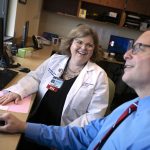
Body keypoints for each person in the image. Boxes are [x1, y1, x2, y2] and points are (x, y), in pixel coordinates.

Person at [0, 30, 150, 150]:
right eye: (79, 42)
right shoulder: (55, 60)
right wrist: (18, 91)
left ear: (94, 50)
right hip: (38, 124)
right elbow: (35, 77)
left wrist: (61, 139)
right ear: (70, 43)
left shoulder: (98, 76)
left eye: (89, 45)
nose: (83, 48)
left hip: (63, 131)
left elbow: (93, 117)